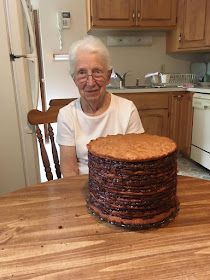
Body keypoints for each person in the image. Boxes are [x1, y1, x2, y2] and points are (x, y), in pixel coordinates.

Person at [56, 35, 144, 177]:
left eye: (97, 71)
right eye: (82, 73)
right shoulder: (66, 115)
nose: (90, 82)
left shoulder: (127, 110)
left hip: (121, 186)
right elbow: (69, 171)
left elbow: (138, 163)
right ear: (74, 79)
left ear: (108, 76)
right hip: (82, 187)